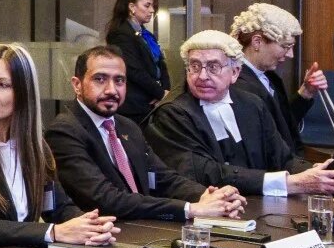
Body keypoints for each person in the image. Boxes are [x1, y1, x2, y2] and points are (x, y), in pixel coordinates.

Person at [0, 44, 120, 248]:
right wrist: (53, 232)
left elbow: (56, 207)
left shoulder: (35, 145)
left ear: (24, 92)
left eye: (3, 85)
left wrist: (91, 227)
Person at [45, 46, 243, 222]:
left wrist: (209, 196)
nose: (111, 89)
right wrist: (190, 209)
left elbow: (162, 178)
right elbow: (107, 199)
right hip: (101, 239)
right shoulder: (64, 131)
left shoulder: (127, 126)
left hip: (143, 229)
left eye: (119, 80)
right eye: (100, 79)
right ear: (77, 85)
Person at [144, 31, 334, 198]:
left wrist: (317, 173)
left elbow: (282, 158)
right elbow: (205, 173)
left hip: (261, 207)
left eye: (213, 67)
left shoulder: (251, 103)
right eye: (195, 66)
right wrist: (287, 183)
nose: (202, 76)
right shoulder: (172, 113)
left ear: (235, 72)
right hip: (211, 213)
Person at [230, 3, 326, 152]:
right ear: (257, 42)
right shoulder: (238, 85)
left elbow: (282, 124)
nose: (290, 54)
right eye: (285, 46)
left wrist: (306, 92)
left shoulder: (269, 76)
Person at [105, 0, 170, 121]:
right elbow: (133, 70)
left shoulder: (146, 34)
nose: (152, 10)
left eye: (152, 6)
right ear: (132, 7)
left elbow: (160, 64)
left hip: (151, 99)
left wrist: (165, 93)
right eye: (147, 6)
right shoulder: (121, 33)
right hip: (134, 105)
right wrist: (160, 93)